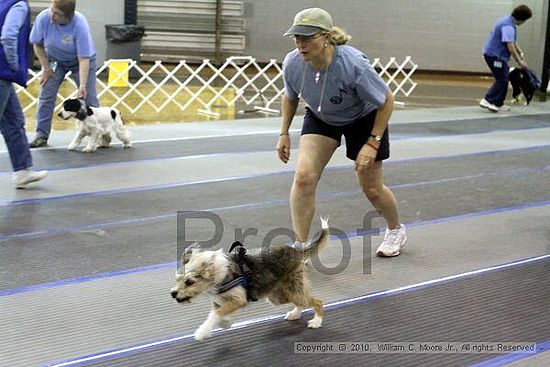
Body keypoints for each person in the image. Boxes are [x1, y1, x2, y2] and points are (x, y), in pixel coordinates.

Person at [277, 8, 407, 257]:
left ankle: (395, 230)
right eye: (297, 38)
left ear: (326, 36)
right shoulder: (293, 62)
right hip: (321, 116)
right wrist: (283, 133)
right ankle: (301, 249)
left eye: (307, 38)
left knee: (372, 188)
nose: (301, 44)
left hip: (364, 118)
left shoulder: (353, 64)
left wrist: (372, 142)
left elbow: (386, 100)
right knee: (303, 177)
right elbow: (290, 98)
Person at [28, 0, 99, 148]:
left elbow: (84, 58)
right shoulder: (43, 18)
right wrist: (46, 69)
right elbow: (37, 45)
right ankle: (41, 135)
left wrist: (83, 85)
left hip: (80, 62)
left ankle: (99, 135)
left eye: (57, 14)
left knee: (89, 98)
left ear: (68, 16)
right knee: (46, 94)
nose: (52, 16)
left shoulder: (79, 25)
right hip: (55, 61)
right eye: (52, 10)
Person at [0, 0, 47, 188]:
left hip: (3, 77)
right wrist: (14, 65)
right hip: (2, 73)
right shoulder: (18, 5)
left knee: (13, 121)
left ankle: (23, 170)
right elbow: (8, 37)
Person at [480, 4, 532, 112]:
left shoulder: (506, 21)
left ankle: (498, 103)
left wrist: (520, 50)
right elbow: (510, 46)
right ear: (522, 19)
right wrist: (520, 61)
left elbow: (512, 41)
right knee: (502, 79)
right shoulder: (508, 26)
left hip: (494, 54)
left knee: (504, 77)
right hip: (495, 56)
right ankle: (488, 100)